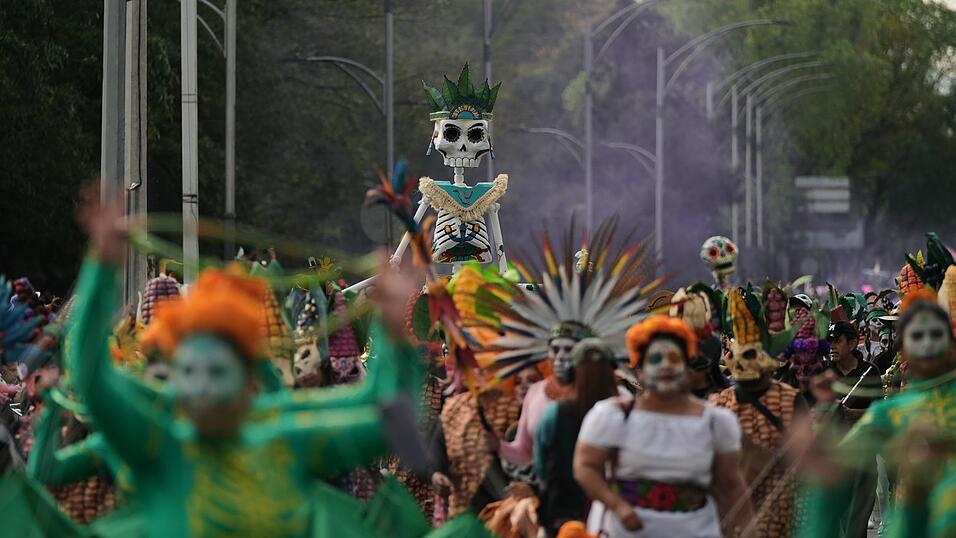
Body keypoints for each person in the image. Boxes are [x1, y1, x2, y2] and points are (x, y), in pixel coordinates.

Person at [68, 194, 425, 538]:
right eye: (188, 372)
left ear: (248, 379)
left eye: (217, 372)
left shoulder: (285, 442)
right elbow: (92, 379)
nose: (201, 386)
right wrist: (101, 266)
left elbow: (388, 417)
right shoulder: (160, 448)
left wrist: (393, 333)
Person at [574, 316, 753, 538]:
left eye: (674, 358)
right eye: (656, 358)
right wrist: (617, 505)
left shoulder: (716, 422)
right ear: (639, 370)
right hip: (623, 530)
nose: (665, 365)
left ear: (687, 366)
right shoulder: (612, 415)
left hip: (695, 530)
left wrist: (748, 530)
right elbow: (585, 467)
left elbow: (731, 486)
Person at [799, 289, 956, 538]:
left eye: (936, 334)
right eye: (918, 336)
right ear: (904, 345)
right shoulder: (890, 412)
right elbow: (837, 476)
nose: (927, 344)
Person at [711, 289, 806, 537]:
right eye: (739, 355)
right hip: (733, 509)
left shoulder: (790, 398)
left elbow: (806, 455)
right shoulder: (720, 403)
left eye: (751, 355)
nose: (744, 364)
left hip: (781, 507)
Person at [534, 338, 618, 537]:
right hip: (614, 516)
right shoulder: (625, 411)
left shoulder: (554, 414)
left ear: (572, 373)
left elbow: (541, 467)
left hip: (563, 519)